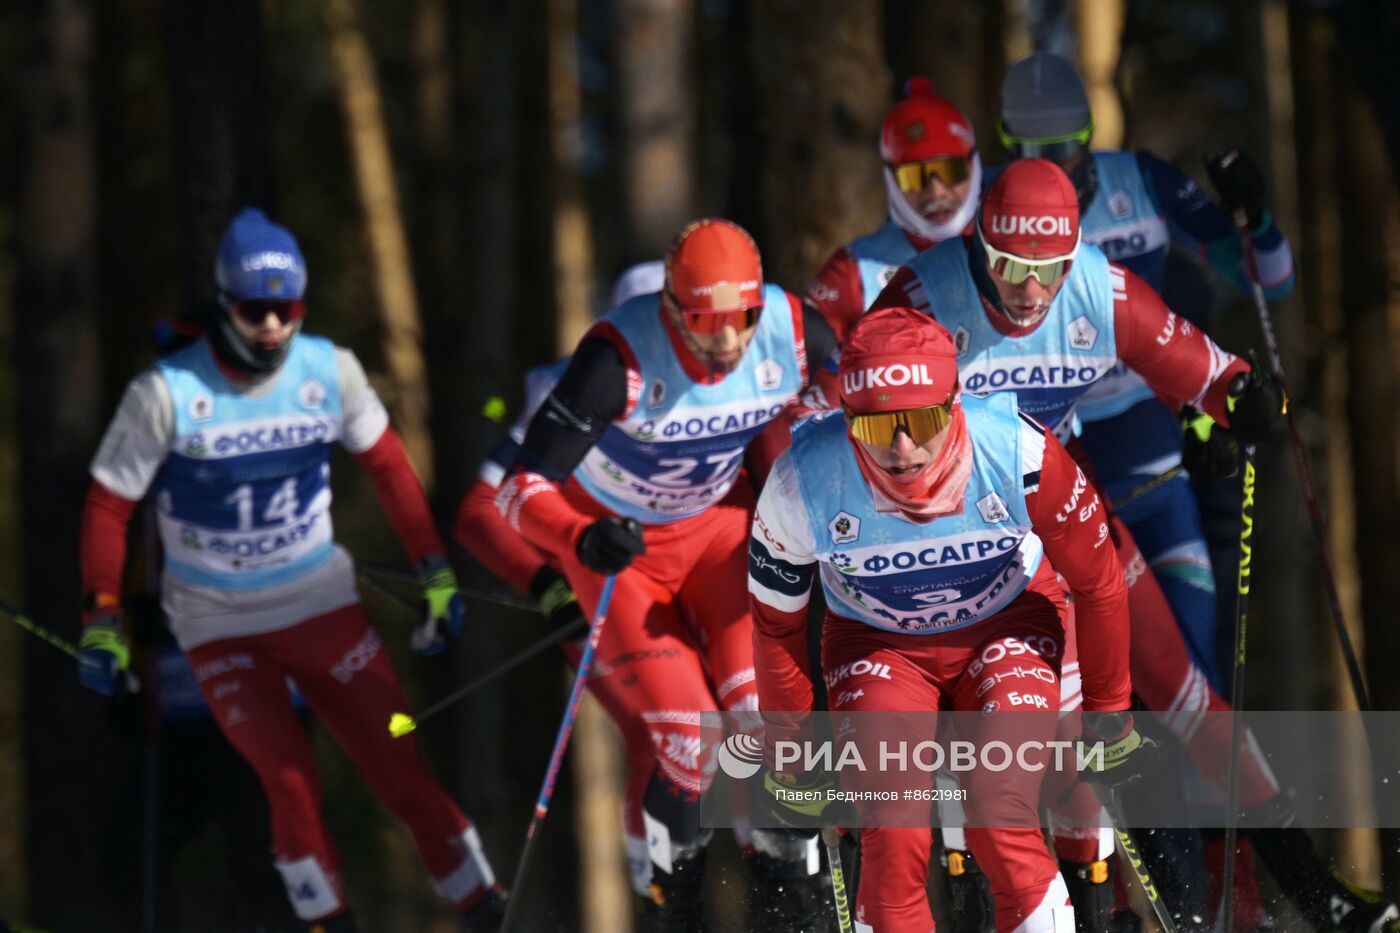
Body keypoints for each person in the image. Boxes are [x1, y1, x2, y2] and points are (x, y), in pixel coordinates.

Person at [873, 160, 1399, 933]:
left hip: (1066, 512)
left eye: (1045, 269)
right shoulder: (923, 297)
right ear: (978, 241)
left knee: (1186, 695)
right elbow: (854, 409)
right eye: (1009, 264)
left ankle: (1315, 894)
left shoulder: (1099, 288)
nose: (1027, 289)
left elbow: (1205, 367)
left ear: (1072, 255)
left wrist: (1239, 400)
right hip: (961, 543)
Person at [77, 208, 505, 933]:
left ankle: (489, 911)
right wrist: (103, 618)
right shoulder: (167, 392)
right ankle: (330, 924)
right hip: (219, 627)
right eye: (255, 310)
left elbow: (392, 469)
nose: (273, 326)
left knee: (402, 767)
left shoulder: (328, 370)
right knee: (288, 781)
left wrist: (434, 568)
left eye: (289, 309)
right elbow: (107, 507)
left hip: (322, 611)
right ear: (224, 304)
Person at [749, 306, 1153, 931]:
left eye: (923, 421)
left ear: (955, 406)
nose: (903, 448)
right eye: (879, 428)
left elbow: (1099, 583)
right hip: (879, 646)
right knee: (893, 838)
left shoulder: (1018, 452)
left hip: (1007, 624)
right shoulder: (801, 482)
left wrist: (1110, 715)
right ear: (847, 422)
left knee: (1000, 812)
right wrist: (792, 755)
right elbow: (775, 626)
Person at [494, 219, 841, 931]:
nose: (727, 341)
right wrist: (580, 536)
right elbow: (516, 490)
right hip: (626, 559)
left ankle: (794, 904)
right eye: (704, 322)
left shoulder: (796, 329)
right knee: (693, 745)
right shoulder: (615, 357)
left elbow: (861, 399)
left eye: (742, 318)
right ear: (670, 309)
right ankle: (673, 906)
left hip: (718, 536)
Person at [807, 77, 982, 342]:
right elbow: (803, 368)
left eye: (950, 171)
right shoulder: (855, 271)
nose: (935, 192)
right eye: (914, 177)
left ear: (974, 165)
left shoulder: (1012, 242)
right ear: (890, 179)